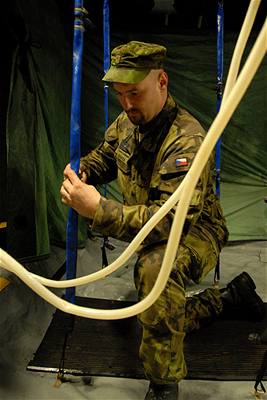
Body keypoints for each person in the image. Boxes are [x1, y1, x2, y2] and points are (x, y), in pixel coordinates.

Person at [60, 41, 265, 400]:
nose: (126, 104)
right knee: (158, 315)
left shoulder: (186, 139)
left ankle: (164, 387)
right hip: (149, 226)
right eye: (120, 93)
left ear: (163, 82)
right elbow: (108, 155)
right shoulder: (129, 121)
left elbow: (169, 224)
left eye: (135, 93)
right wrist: (83, 172)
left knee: (155, 272)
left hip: (195, 231)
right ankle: (232, 298)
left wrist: (96, 209)